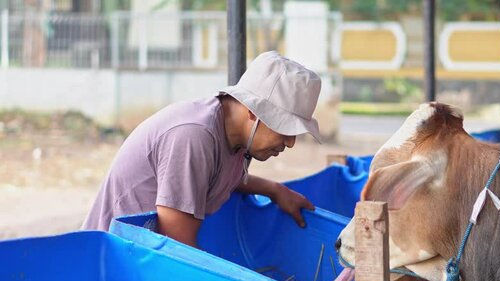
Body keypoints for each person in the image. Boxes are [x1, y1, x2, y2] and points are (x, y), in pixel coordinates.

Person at [82, 51, 322, 247]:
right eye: (286, 129)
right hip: (114, 261)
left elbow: (214, 175)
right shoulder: (193, 136)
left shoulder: (234, 137)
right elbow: (177, 244)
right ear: (254, 111)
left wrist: (274, 190)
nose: (290, 143)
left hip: (143, 258)